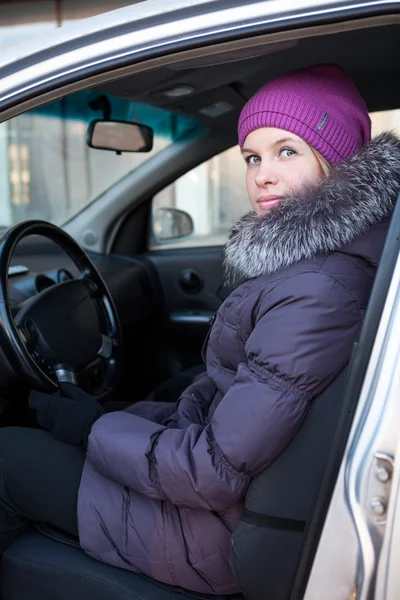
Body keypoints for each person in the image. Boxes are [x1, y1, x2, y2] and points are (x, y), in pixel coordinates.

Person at [0, 63, 399, 596]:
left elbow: (211, 471)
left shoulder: (320, 289)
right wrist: (112, 419)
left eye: (287, 151)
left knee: (5, 456)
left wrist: (91, 430)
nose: (262, 174)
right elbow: (229, 417)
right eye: (253, 157)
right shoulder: (326, 266)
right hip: (224, 507)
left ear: (340, 159)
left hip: (209, 537)